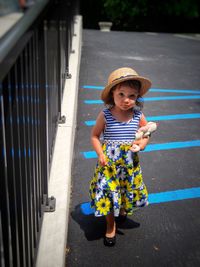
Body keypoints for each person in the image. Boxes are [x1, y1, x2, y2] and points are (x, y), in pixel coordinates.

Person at [89, 67, 152, 247]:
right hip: (109, 164)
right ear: (112, 95)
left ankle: (123, 210)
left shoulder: (138, 116)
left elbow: (146, 133)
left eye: (132, 96)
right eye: (121, 94)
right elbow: (94, 136)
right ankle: (110, 225)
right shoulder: (106, 115)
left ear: (137, 97)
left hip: (129, 164)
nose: (126, 100)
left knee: (125, 189)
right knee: (108, 194)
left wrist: (142, 143)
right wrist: (100, 153)